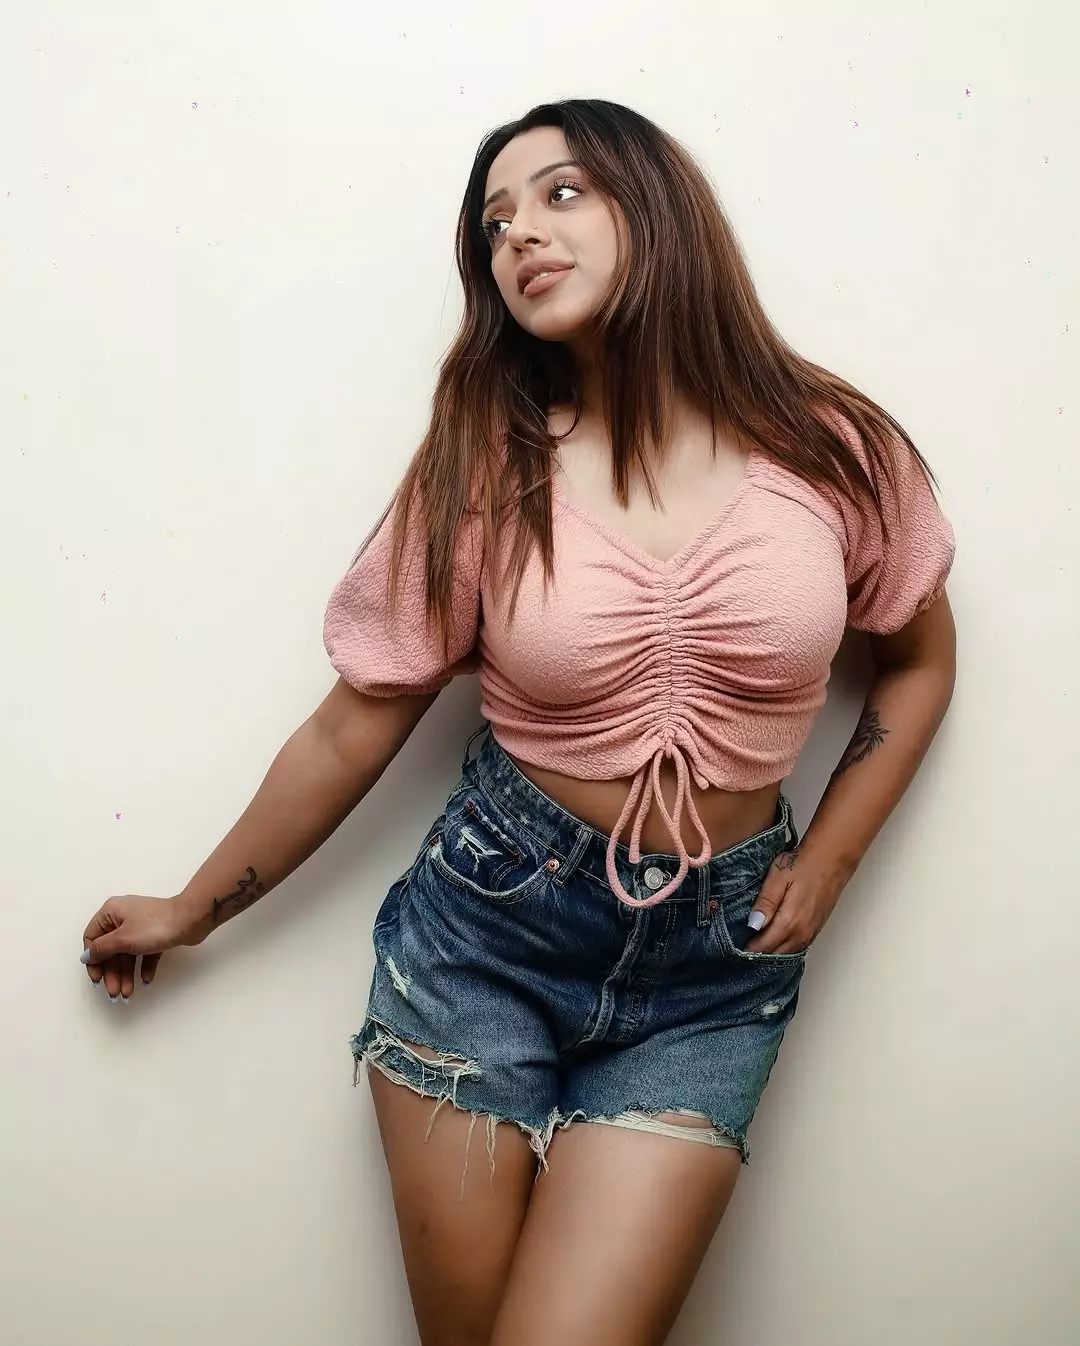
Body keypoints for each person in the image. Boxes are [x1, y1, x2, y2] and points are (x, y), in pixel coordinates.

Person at [80, 99, 956, 1346]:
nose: (520, 236)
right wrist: (191, 906)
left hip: (715, 973)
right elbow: (352, 727)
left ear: (657, 204)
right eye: (494, 223)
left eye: (561, 193)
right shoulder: (484, 465)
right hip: (487, 935)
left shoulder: (833, 447)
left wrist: (832, 858)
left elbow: (918, 658)